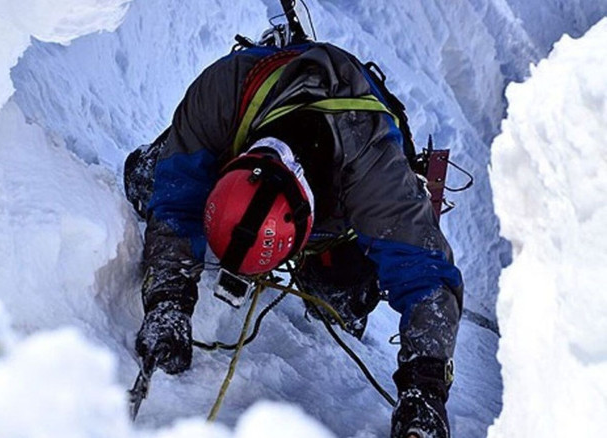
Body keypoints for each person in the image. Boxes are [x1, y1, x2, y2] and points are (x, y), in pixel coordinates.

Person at [123, 41, 463, 438]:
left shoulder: (376, 176)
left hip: (343, 200)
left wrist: (424, 387)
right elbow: (175, 205)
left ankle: (331, 272)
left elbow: (427, 276)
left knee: (343, 289)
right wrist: (168, 299)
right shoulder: (222, 94)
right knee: (149, 182)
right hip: (258, 110)